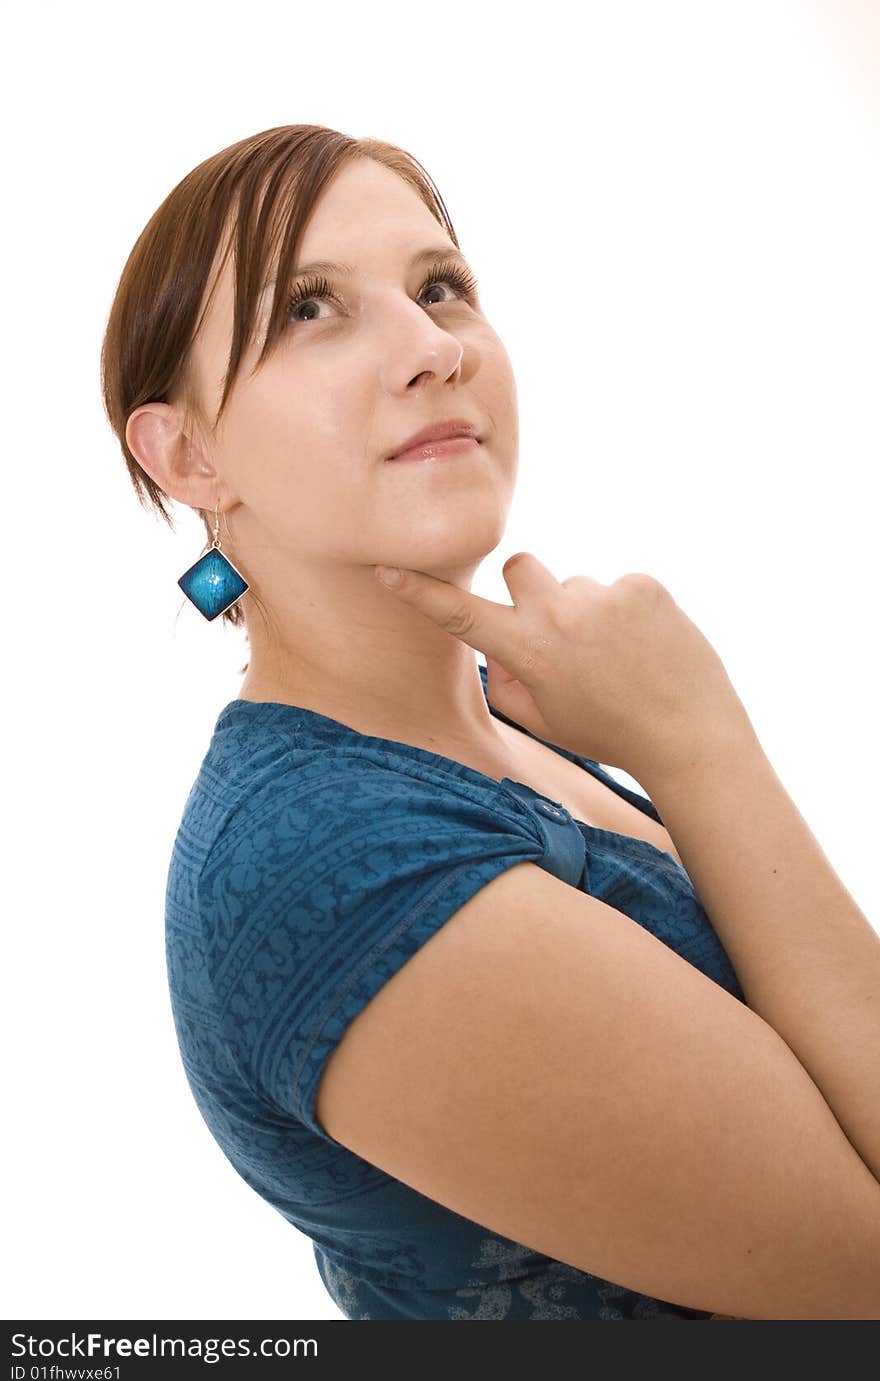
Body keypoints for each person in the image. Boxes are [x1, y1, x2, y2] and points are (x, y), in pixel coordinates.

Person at [102, 123, 880, 1320]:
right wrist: (698, 738)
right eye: (310, 308)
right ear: (189, 453)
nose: (429, 348)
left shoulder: (507, 734)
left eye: (440, 288)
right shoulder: (323, 861)